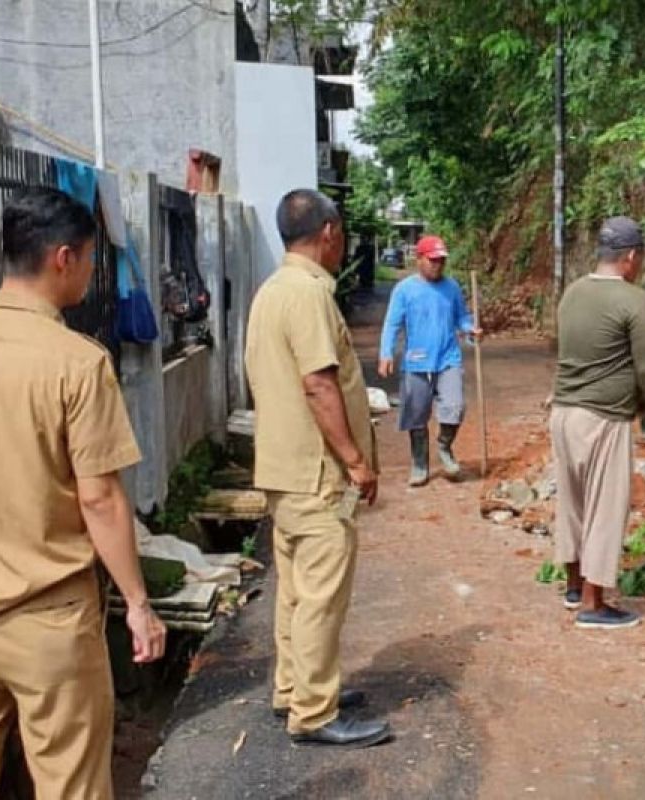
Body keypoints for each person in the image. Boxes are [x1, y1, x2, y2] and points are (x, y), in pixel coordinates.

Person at [0, 188, 166, 798]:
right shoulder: (77, 363)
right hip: (46, 616)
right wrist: (138, 602)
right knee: (70, 783)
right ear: (63, 259)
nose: (88, 271)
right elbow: (101, 499)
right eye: (87, 258)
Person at [245, 188, 389, 749]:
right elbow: (317, 383)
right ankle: (313, 710)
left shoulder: (272, 290)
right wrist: (355, 461)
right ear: (329, 233)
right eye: (343, 234)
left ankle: (295, 688)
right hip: (315, 474)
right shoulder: (306, 295)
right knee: (322, 594)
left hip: (284, 470)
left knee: (298, 592)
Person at [552, 216, 645, 629]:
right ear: (629, 257)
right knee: (605, 509)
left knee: (572, 504)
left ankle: (574, 587)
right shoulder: (635, 301)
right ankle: (594, 604)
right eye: (639, 256)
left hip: (564, 413)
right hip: (603, 419)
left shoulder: (572, 293)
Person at [378, 235, 480, 486]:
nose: (437, 265)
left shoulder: (452, 287)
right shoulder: (404, 290)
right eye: (433, 260)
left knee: (455, 406)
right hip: (416, 362)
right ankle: (419, 463)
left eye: (441, 261)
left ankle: (444, 447)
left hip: (448, 358)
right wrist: (386, 353)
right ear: (419, 259)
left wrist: (471, 329)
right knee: (416, 414)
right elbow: (392, 324)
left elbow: (462, 317)